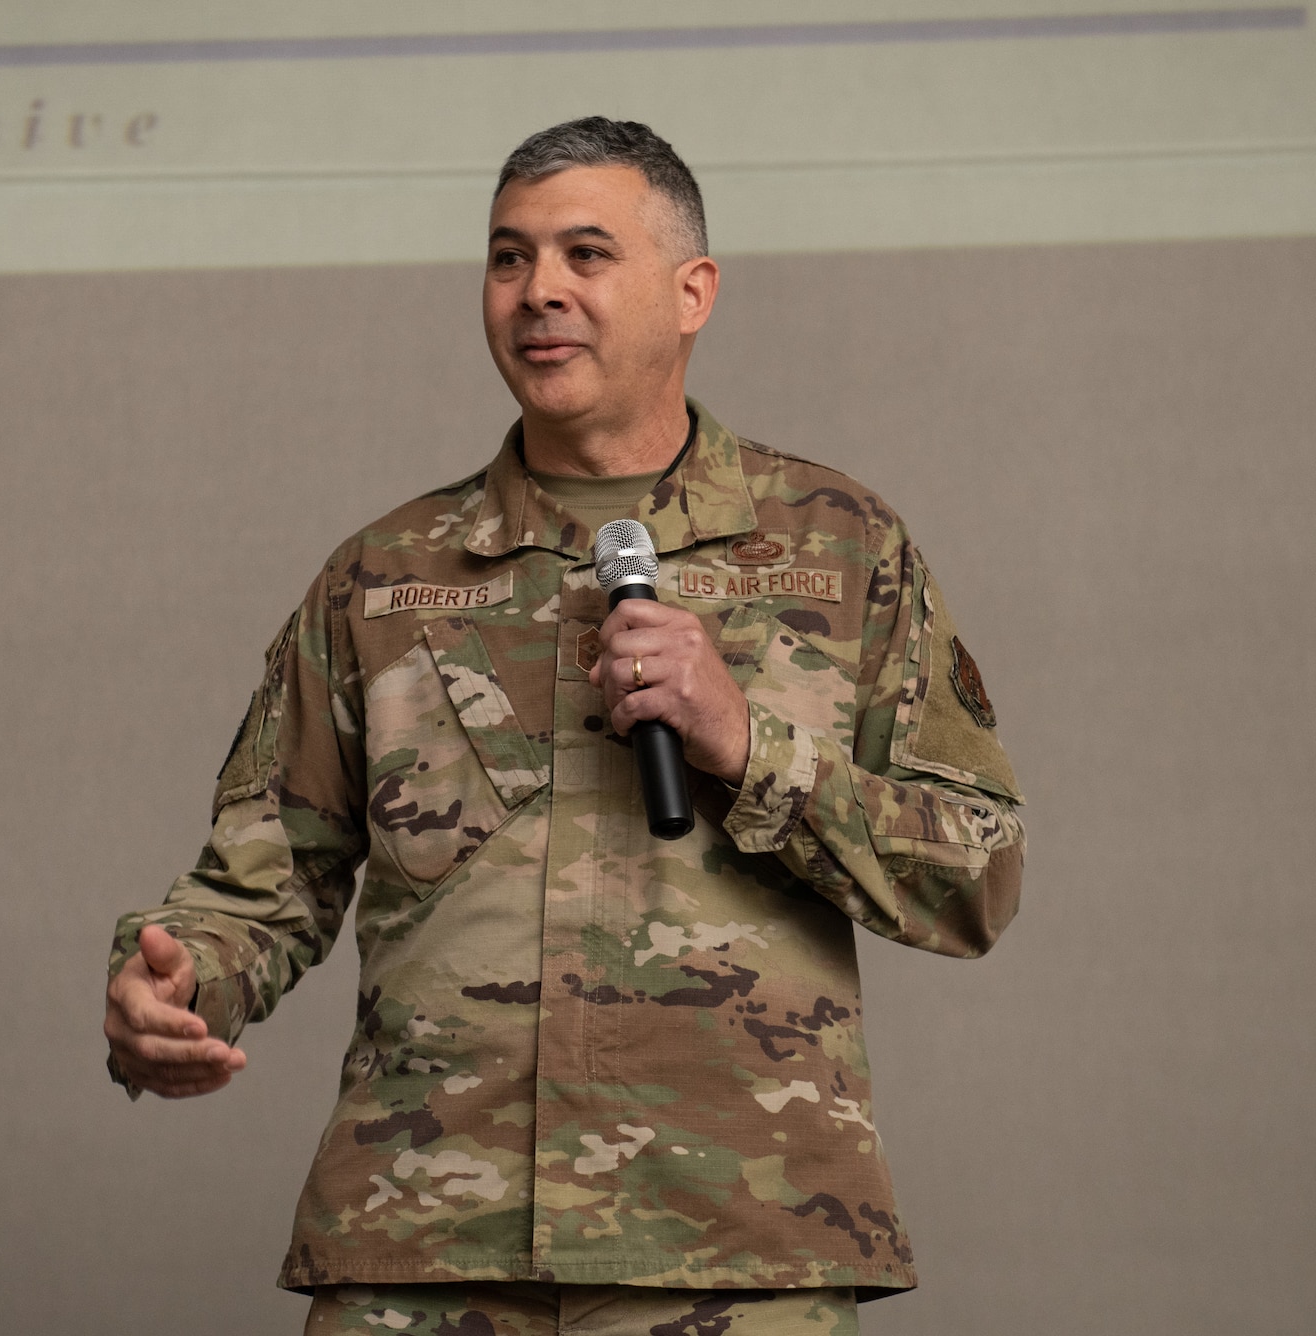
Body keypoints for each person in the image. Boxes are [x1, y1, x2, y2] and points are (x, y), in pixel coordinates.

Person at [103, 117, 1024, 1336]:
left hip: (731, 1251)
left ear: (690, 291)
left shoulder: (838, 549)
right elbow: (262, 880)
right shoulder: (381, 577)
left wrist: (749, 745)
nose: (538, 290)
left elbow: (975, 871)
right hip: (420, 1251)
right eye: (506, 257)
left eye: (585, 254)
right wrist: (175, 986)